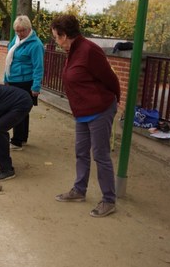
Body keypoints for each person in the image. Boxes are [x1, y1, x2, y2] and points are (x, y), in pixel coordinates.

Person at [50, 14, 121, 218]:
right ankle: (79, 190)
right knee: (81, 152)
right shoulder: (72, 51)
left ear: (64, 35)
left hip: (100, 109)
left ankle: (109, 200)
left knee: (100, 154)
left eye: (56, 36)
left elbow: (110, 79)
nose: (55, 40)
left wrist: (117, 100)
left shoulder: (89, 50)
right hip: (82, 112)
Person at [3, 15, 44, 151]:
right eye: (17, 31)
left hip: (26, 82)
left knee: (18, 111)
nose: (19, 34)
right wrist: (6, 78)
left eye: (22, 31)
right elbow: (9, 60)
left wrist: (36, 86)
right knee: (22, 112)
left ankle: (17, 141)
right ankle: (22, 137)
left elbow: (38, 67)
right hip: (13, 80)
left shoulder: (36, 44)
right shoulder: (16, 40)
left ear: (29, 29)